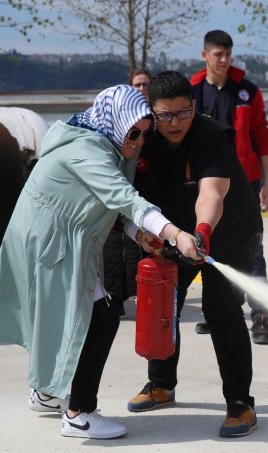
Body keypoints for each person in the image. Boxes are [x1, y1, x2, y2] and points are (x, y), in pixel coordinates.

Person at [0, 85, 201, 440]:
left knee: (62, 317)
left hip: (56, 239)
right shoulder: (88, 151)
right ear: (116, 123)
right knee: (100, 319)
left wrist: (136, 232)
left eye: (145, 133)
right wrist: (176, 234)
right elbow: (122, 195)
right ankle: (79, 413)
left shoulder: (106, 146)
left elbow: (111, 205)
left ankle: (46, 393)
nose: (139, 140)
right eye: (134, 132)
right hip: (54, 244)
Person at [127, 70, 262, 438]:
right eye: (166, 115)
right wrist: (148, 233)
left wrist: (202, 232)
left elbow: (211, 194)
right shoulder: (144, 137)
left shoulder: (212, 135)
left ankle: (240, 404)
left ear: (193, 107)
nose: (176, 123)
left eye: (183, 113)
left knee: (220, 311)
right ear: (152, 112)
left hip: (228, 231)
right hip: (173, 231)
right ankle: (161, 385)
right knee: (161, 301)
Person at [189, 29, 268, 345]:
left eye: (228, 54)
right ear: (205, 55)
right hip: (206, 183)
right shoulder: (192, 92)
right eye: (218, 54)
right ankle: (220, 312)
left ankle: (261, 316)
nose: (224, 60)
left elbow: (261, 136)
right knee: (212, 247)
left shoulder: (248, 92)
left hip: (245, 185)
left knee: (253, 248)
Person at [102, 68, 152, 317]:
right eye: (137, 84)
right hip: (117, 198)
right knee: (111, 248)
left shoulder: (151, 125)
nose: (142, 89)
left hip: (139, 196)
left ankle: (137, 292)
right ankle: (114, 296)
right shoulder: (114, 130)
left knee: (135, 249)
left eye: (146, 85)